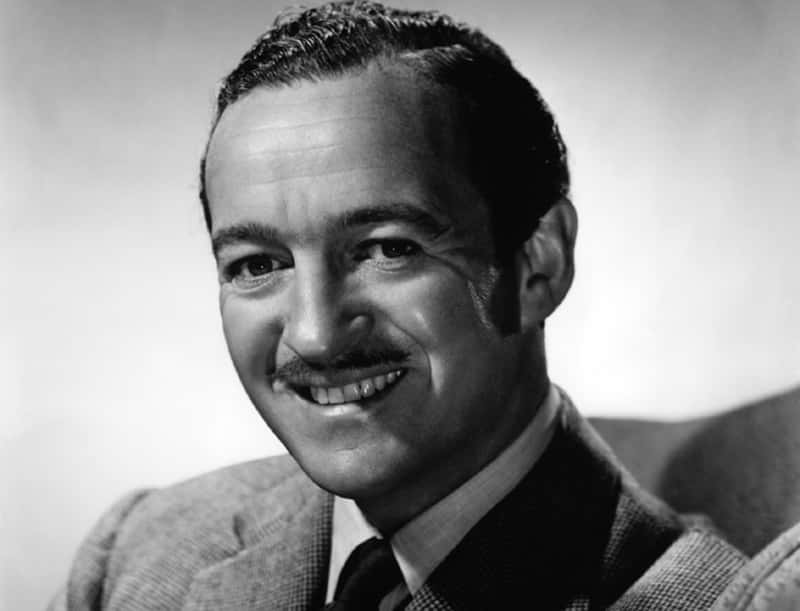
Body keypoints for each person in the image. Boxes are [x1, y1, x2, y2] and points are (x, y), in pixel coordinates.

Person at [51, 2, 747, 609]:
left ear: (538, 265)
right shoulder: (136, 554)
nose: (316, 336)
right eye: (257, 265)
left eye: (387, 249)